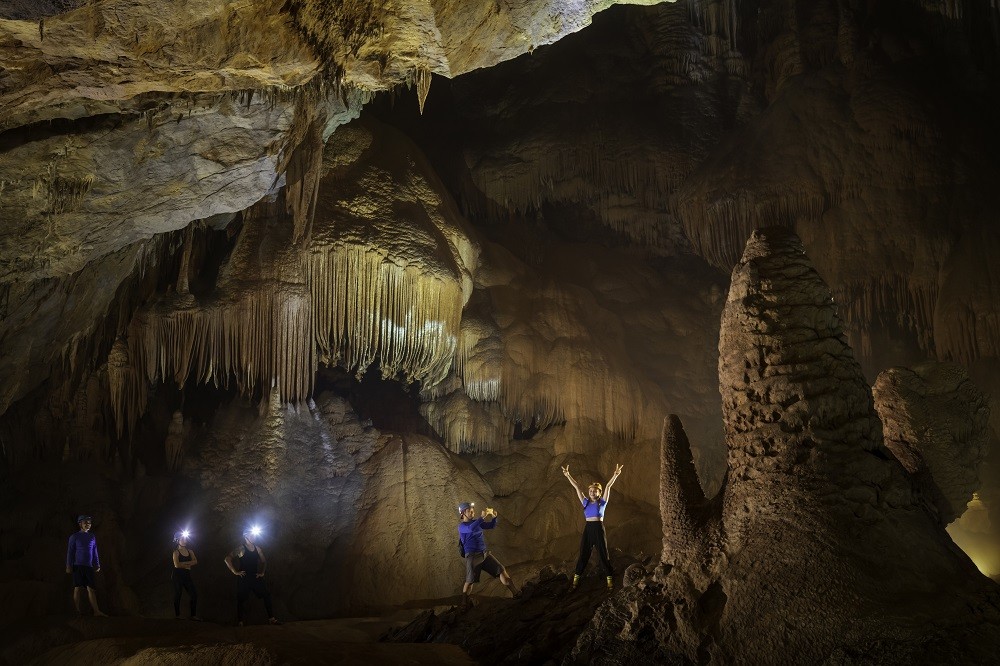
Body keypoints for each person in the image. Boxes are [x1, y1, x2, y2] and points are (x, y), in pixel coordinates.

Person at [561, 464, 623, 590]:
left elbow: (608, 486)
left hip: (599, 528)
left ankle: (609, 581)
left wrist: (615, 475)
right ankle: (576, 580)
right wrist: (568, 475)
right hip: (588, 529)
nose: (592, 492)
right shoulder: (585, 502)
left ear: (599, 492)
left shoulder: (603, 502)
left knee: (603, 555)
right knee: (583, 554)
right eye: (590, 491)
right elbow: (577, 487)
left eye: (595, 491)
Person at [458, 501, 519, 609]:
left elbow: (491, 526)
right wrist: (482, 517)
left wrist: (494, 518)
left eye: (472, 510)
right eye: (469, 510)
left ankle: (516, 592)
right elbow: (471, 529)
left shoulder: (477, 522)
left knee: (500, 570)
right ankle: (464, 603)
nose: (472, 511)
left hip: (484, 554)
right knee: (470, 580)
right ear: (462, 513)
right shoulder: (462, 526)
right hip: (472, 557)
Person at [224, 528, 280, 626]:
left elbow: (264, 561)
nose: (254, 537)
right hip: (244, 577)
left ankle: (272, 619)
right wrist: (235, 572)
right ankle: (240, 622)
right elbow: (227, 559)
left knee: (266, 595)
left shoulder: (257, 548)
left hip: (255, 577)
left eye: (254, 535)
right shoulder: (241, 548)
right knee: (241, 599)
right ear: (245, 536)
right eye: (252, 535)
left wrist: (262, 573)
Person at [65, 515, 107, 616]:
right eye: (85, 522)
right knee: (77, 588)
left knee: (91, 589)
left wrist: (97, 564)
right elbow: (70, 552)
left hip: (88, 566)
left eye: (89, 523)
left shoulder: (92, 536)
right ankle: (77, 611)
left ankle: (96, 611)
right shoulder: (74, 536)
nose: (88, 524)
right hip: (78, 566)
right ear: (80, 523)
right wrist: (68, 565)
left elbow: (94, 551)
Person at [171, 532, 201, 620]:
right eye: (182, 539)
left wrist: (183, 564)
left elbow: (195, 561)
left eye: (185, 538)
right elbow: (176, 565)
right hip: (177, 576)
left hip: (186, 576)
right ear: (177, 540)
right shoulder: (176, 552)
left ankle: (193, 615)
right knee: (178, 594)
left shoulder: (190, 551)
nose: (185, 540)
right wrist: (188, 565)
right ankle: (177, 615)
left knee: (194, 594)